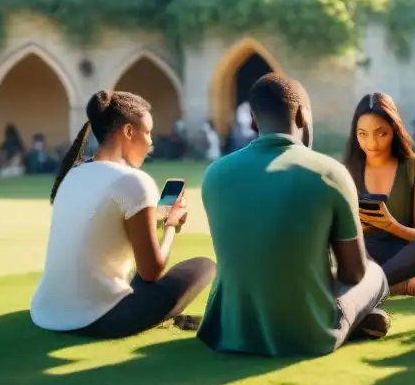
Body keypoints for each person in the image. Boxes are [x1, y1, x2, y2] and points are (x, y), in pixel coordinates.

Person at [197, 74, 390, 357]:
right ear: (301, 115)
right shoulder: (329, 172)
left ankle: (355, 321)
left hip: (232, 330)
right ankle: (353, 320)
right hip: (307, 333)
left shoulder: (215, 173)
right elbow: (354, 272)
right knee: (374, 272)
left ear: (252, 120)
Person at [30, 90, 216, 338]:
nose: (151, 142)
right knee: (204, 267)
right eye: (147, 132)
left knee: (138, 268)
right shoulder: (134, 182)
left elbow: (106, 221)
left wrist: (156, 215)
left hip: (46, 311)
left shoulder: (74, 173)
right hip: (98, 319)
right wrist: (170, 225)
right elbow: (152, 271)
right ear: (129, 132)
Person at [342, 92, 415, 297]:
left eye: (381, 133)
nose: (371, 143)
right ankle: (399, 286)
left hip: (404, 254)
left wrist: (390, 225)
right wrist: (364, 226)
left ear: (394, 130)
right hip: (364, 252)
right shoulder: (346, 170)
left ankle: (367, 289)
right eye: (363, 134)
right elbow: (341, 234)